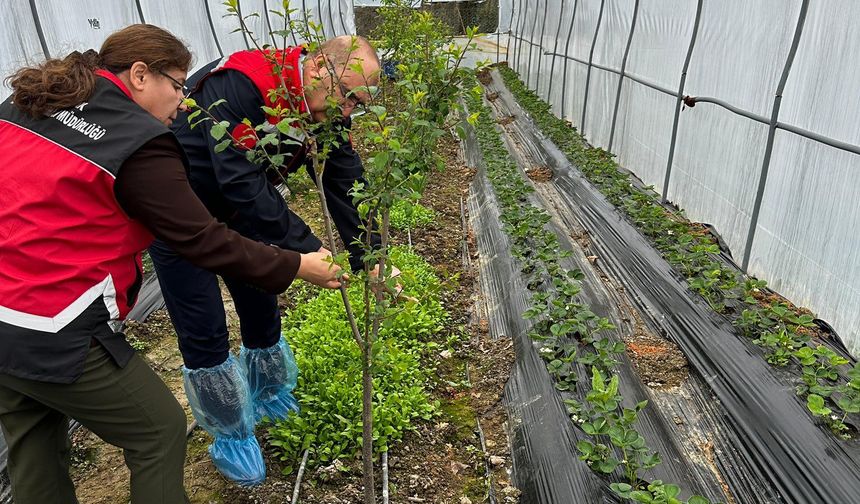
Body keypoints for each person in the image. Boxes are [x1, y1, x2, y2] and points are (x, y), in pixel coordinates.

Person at [0, 24, 341, 504]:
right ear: (140, 75)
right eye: (179, 85)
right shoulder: (138, 141)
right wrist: (297, 265)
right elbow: (201, 239)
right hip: (52, 321)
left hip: (5, 307)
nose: (184, 101)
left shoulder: (27, 103)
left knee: (33, 439)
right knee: (158, 430)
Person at [149, 34, 396, 486]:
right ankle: (230, 432)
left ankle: (267, 392)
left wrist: (370, 255)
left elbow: (343, 179)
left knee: (261, 301)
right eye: (348, 98)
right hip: (185, 218)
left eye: (358, 104)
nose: (347, 112)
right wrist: (306, 248)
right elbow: (239, 180)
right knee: (204, 326)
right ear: (321, 67)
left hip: (241, 213)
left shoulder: (325, 108)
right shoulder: (244, 86)